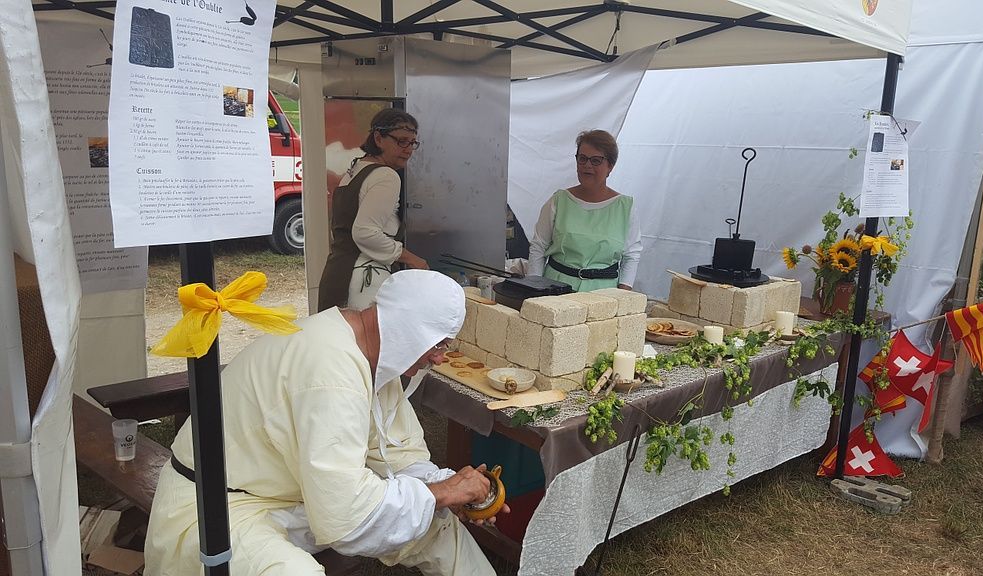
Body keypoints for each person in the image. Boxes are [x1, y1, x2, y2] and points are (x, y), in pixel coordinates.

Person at [145, 270, 507, 575]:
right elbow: (346, 520)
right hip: (214, 510)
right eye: (438, 344)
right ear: (408, 329)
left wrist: (453, 490)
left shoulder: (367, 352)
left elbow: (398, 456)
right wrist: (441, 493)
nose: (439, 358)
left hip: (292, 495)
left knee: (437, 523)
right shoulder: (331, 369)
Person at [318, 109, 429, 312]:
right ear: (378, 138)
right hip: (363, 280)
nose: (408, 149)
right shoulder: (386, 176)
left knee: (339, 339)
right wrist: (413, 259)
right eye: (401, 141)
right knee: (365, 341)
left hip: (338, 272)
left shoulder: (355, 169)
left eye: (412, 143)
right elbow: (365, 232)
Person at [528, 129, 642, 291]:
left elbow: (631, 255)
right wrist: (533, 289)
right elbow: (538, 247)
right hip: (556, 291)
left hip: (604, 296)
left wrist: (623, 295)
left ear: (610, 166)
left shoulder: (625, 207)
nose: (587, 165)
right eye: (582, 159)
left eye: (596, 160)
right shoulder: (558, 201)